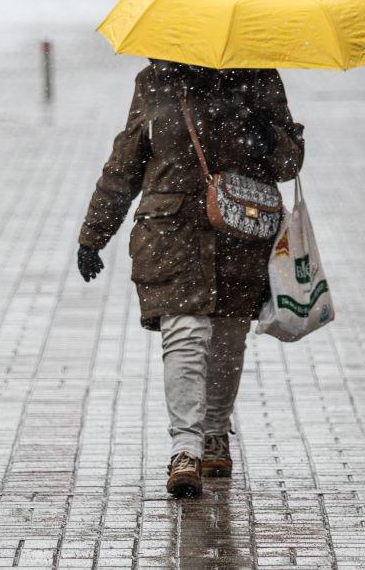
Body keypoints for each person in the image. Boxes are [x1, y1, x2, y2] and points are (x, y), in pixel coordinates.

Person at [76, 60, 305, 498]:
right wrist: (94, 236)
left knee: (227, 339)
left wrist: (265, 132)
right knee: (183, 335)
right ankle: (186, 448)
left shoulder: (259, 77)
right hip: (171, 231)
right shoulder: (156, 81)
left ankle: (216, 432)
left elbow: (288, 162)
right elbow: (125, 165)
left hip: (239, 234)